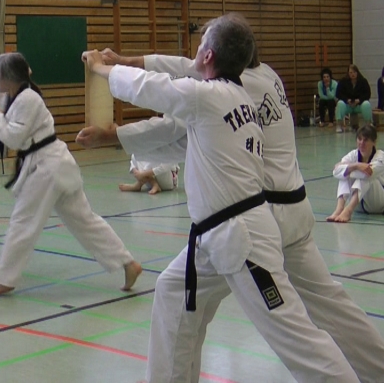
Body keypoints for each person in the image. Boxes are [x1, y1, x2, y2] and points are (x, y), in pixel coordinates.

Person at [81, 41, 384, 382]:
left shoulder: (230, 89)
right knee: (175, 291)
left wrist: (114, 109)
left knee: (291, 331)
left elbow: (175, 106)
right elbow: (191, 128)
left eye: (204, 47)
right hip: (283, 213)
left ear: (215, 56)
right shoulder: (265, 75)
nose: (197, 56)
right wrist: (127, 67)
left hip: (255, 222)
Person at [0, 52, 141, 296]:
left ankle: (6, 279)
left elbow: (13, 137)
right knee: (85, 221)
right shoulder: (15, 93)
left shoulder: (27, 98)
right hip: (55, 165)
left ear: (9, 77)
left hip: (47, 169)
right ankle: (128, 263)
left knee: (23, 222)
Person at [328, 125, 384, 223]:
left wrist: (346, 169)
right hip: (359, 206)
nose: (361, 143)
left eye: (366, 140)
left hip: (378, 203)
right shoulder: (353, 155)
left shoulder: (381, 156)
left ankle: (348, 210)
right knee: (344, 174)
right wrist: (356, 165)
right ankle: (339, 209)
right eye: (359, 139)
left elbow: (367, 173)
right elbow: (335, 172)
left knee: (366, 175)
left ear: (374, 142)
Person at [336, 64, 372, 132]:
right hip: (347, 105)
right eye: (351, 72)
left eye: (354, 72)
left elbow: (367, 94)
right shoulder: (343, 81)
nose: (353, 74)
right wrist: (347, 100)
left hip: (359, 105)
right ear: (348, 73)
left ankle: (368, 124)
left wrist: (359, 100)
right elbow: (338, 94)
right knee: (340, 103)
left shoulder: (363, 81)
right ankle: (339, 125)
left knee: (366, 104)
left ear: (357, 72)